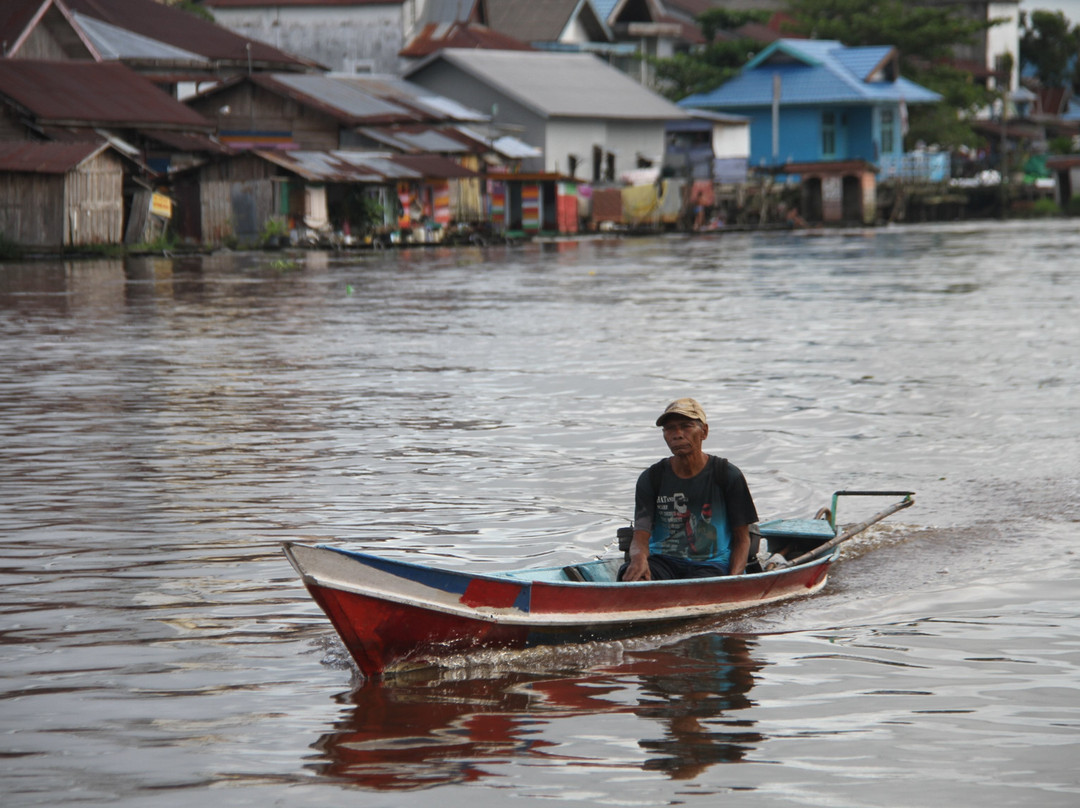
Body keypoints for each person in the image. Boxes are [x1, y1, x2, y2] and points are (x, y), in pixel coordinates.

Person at [620, 398, 758, 582]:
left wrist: (733, 580)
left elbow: (742, 539)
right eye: (669, 428)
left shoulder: (727, 474)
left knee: (703, 588)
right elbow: (641, 535)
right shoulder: (652, 478)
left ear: (704, 432)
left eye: (686, 426)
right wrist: (638, 559)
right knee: (629, 576)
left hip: (711, 564)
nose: (677, 434)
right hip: (663, 561)